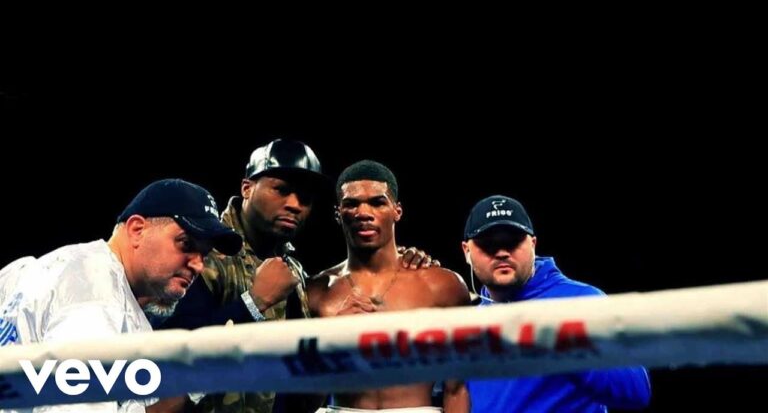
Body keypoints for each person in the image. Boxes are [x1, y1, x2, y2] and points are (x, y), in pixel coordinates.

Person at [159, 140, 438, 413]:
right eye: (281, 190)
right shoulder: (200, 256)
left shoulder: (297, 275)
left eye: (305, 198)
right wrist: (253, 303)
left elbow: (301, 394)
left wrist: (329, 339)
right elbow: (168, 360)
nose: (294, 204)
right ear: (247, 188)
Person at [0, 178, 242, 412]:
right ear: (137, 230)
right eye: (186, 244)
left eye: (204, 254)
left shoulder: (56, 268)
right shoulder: (96, 298)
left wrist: (200, 378)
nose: (198, 265)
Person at [460, 195, 651, 412]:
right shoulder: (469, 320)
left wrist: (562, 345)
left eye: (513, 241)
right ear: (467, 251)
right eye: (488, 244)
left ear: (533, 244)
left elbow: (637, 391)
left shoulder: (581, 300)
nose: (502, 253)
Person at [307, 160, 471, 413]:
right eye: (352, 204)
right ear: (338, 214)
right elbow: (300, 399)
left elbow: (456, 388)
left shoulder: (443, 286)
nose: (363, 213)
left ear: (397, 210)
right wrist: (330, 341)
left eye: (377, 202)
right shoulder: (316, 291)